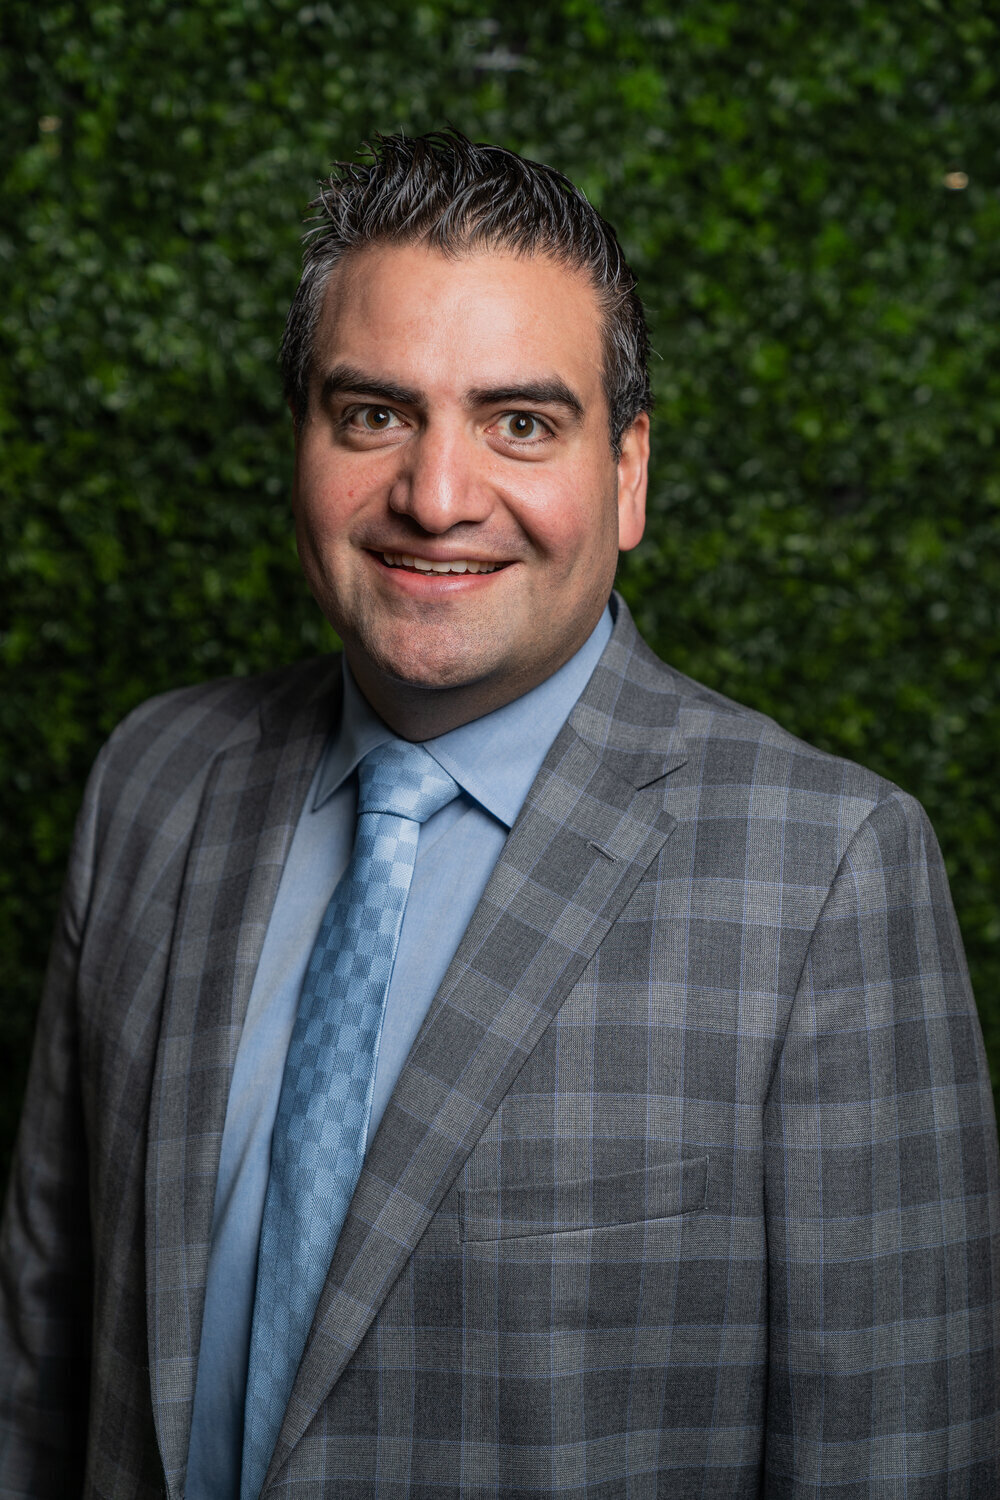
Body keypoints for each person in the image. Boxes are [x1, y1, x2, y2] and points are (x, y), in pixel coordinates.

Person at [1, 129, 997, 1500]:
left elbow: (901, 1457)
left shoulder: (827, 877)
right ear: (303, 437)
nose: (438, 495)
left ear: (629, 473)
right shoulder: (153, 785)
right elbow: (42, 1360)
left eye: (520, 422)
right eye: (373, 415)